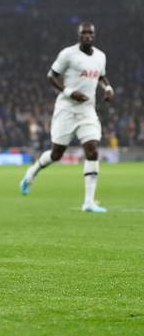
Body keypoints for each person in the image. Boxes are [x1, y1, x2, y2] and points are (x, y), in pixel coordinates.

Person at [20, 22, 114, 212]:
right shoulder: (68, 54)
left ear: (94, 35)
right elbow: (51, 76)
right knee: (56, 154)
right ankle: (32, 172)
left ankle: (89, 202)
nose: (87, 36)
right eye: (84, 33)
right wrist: (70, 92)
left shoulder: (100, 56)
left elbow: (101, 76)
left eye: (90, 33)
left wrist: (108, 88)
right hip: (66, 110)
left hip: (87, 110)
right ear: (79, 35)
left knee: (92, 151)